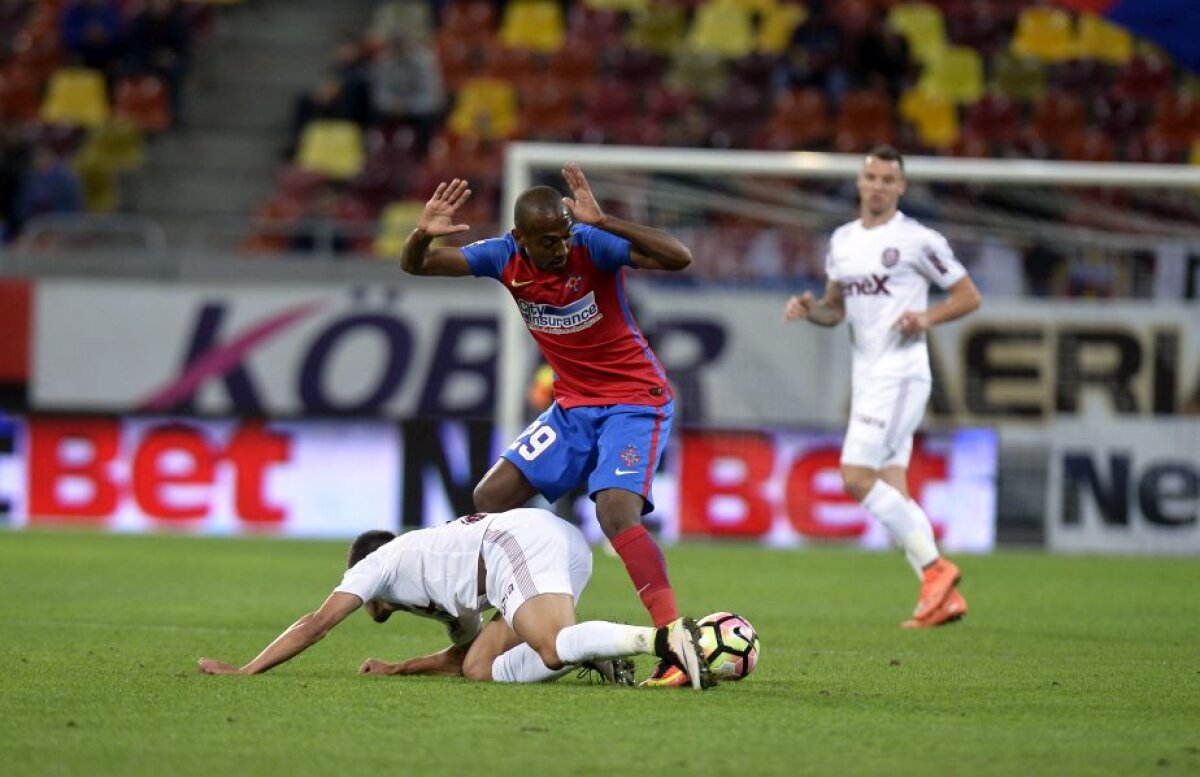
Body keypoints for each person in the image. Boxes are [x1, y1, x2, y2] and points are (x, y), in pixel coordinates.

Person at [399, 163, 696, 687]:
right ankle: (521, 612)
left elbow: (679, 257)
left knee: (616, 512)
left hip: (634, 399)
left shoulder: (592, 244)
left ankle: (673, 640)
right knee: (490, 499)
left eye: (563, 236)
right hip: (573, 408)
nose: (559, 248)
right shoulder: (501, 256)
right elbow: (417, 268)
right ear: (520, 238)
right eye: (547, 241)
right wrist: (421, 235)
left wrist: (604, 221)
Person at [783, 145, 982, 629]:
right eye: (870, 176)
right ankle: (942, 596)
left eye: (887, 179)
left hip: (900, 373)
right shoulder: (843, 241)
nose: (877, 185)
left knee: (855, 476)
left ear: (901, 187)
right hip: (868, 372)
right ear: (859, 182)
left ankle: (937, 569)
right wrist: (812, 310)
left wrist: (927, 317)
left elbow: (968, 295)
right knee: (892, 488)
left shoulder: (917, 239)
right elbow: (836, 309)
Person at [197, 508, 714, 691]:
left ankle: (664, 637)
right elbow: (462, 657)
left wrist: (247, 671)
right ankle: (599, 652)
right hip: (550, 547)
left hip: (516, 543)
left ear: (358, 570)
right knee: (482, 667)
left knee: (552, 646)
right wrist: (399, 670)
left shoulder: (378, 563)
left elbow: (316, 623)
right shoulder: (433, 588)